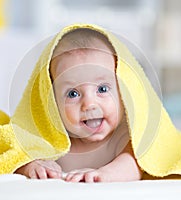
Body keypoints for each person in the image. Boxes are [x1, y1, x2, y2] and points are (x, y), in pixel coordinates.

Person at [15, 28, 142, 182]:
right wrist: (31, 165)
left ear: (123, 92)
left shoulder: (124, 138)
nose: (89, 104)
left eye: (102, 89)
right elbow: (15, 155)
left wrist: (106, 174)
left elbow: (135, 165)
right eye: (73, 94)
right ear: (51, 102)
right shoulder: (51, 138)